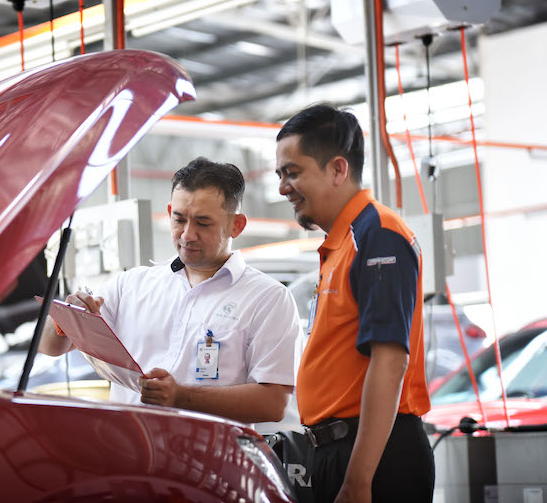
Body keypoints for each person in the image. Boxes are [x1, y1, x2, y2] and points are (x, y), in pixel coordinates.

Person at [40, 157, 303, 425]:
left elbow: (272, 403)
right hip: (129, 446)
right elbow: (48, 346)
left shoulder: (267, 299)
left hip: (208, 451)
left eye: (203, 223)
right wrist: (65, 321)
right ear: (169, 212)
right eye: (179, 219)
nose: (187, 234)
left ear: (236, 225)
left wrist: (180, 397)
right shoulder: (131, 286)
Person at [275, 103, 433, 502]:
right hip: (337, 451)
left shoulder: (378, 235)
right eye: (280, 175)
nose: (282, 188)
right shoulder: (343, 243)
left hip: (375, 457)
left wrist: (359, 480)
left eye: (292, 173)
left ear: (337, 170)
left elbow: (390, 360)